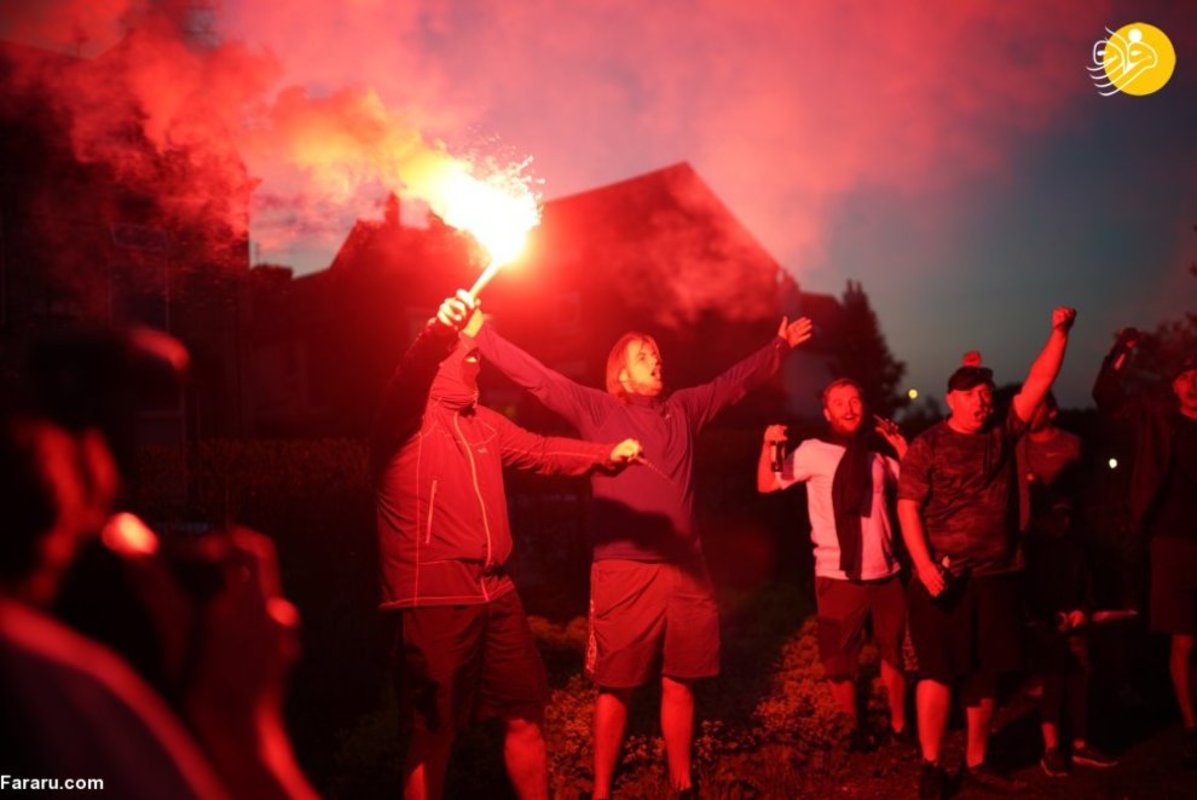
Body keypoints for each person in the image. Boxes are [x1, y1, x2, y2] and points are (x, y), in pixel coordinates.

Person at [468, 307, 813, 798]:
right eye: (642, 354)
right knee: (616, 685)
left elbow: (735, 382)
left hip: (687, 570)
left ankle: (683, 784)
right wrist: (485, 336)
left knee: (681, 679)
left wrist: (777, 347)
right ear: (622, 373)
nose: (655, 358)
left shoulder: (686, 407)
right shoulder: (598, 409)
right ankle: (602, 791)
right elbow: (541, 380)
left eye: (655, 352)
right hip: (624, 570)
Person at [371, 292, 642, 800]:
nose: (475, 356)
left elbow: (542, 451)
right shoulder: (402, 419)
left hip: (495, 591)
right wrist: (436, 330)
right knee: (434, 731)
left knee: (525, 712)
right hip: (433, 595)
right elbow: (411, 371)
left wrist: (606, 454)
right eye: (466, 349)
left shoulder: (484, 424)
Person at [898, 307, 1076, 799]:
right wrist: (924, 566)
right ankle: (932, 765)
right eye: (973, 395)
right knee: (936, 673)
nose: (983, 402)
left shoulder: (1003, 431)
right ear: (952, 399)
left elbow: (1041, 378)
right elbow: (908, 508)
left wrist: (1059, 333)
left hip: (997, 575)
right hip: (944, 579)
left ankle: (977, 760)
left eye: (986, 395)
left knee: (985, 672)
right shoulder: (928, 445)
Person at [757, 378, 909, 748]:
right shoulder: (813, 451)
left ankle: (901, 728)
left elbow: (914, 484)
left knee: (895, 653)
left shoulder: (875, 455)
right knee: (838, 661)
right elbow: (766, 483)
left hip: (887, 572)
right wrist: (768, 443)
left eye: (855, 399)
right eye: (839, 402)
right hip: (836, 573)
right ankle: (851, 729)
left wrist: (902, 448)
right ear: (827, 412)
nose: (849, 407)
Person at [1094, 331, 1197, 767]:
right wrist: (1121, 352)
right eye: (1185, 376)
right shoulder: (1157, 417)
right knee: (1184, 638)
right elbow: (1105, 395)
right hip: (1172, 540)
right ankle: (1192, 725)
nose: (1192, 382)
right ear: (1173, 386)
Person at [1018, 392, 1118, 776]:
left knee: (1078, 662)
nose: (1031, 413)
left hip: (1072, 558)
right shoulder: (1018, 447)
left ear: (1053, 410)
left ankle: (1079, 742)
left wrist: (1084, 604)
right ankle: (1051, 747)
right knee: (1050, 667)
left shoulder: (1073, 445)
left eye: (1039, 405)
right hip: (1035, 559)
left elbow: (1088, 495)